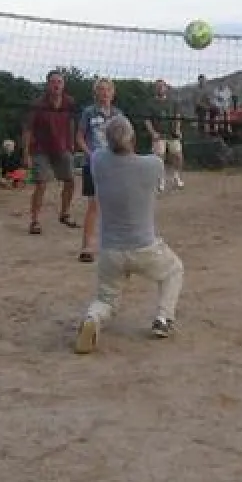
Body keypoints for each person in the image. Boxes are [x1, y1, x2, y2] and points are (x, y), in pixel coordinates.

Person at [74, 114, 185, 354]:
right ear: (133, 138)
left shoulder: (98, 161)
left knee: (106, 300)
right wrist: (166, 145)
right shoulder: (152, 165)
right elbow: (173, 163)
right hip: (144, 246)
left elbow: (105, 149)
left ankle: (92, 318)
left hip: (110, 250)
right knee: (174, 270)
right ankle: (163, 319)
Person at [23, 70, 78, 235]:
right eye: (53, 82)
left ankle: (65, 213)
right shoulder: (38, 104)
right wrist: (25, 153)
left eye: (59, 82)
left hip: (62, 147)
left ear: (63, 85)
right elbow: (27, 129)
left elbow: (72, 122)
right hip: (41, 148)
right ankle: (35, 220)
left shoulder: (69, 102)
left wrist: (72, 143)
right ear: (48, 84)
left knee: (70, 181)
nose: (56, 85)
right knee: (41, 184)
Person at [75, 78, 119, 263]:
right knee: (94, 204)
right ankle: (87, 246)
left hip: (113, 164)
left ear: (112, 92)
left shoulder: (118, 115)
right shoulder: (88, 112)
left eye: (107, 89)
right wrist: (90, 153)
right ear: (96, 93)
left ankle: (115, 246)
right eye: (100, 90)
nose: (104, 93)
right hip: (93, 162)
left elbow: (125, 138)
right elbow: (79, 137)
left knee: (115, 205)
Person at [145, 79, 185, 192]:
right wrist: (153, 133)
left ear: (166, 88)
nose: (160, 88)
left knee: (178, 156)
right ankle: (160, 180)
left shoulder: (173, 102)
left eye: (162, 86)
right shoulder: (151, 103)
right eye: (158, 86)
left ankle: (176, 177)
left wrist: (177, 129)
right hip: (159, 134)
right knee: (159, 156)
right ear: (155, 89)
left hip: (172, 134)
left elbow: (177, 116)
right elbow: (147, 120)